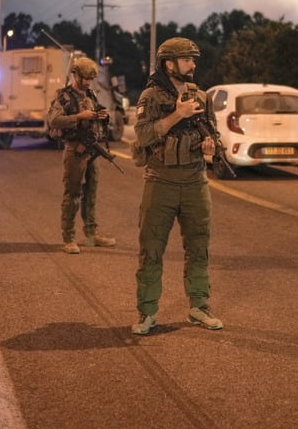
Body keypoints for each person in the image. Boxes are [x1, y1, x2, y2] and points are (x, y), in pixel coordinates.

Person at [130, 37, 223, 335]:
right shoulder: (152, 97)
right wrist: (178, 115)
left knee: (199, 247)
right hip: (161, 182)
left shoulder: (202, 97)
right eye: (187, 60)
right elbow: (144, 135)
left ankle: (199, 307)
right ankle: (147, 313)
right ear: (169, 64)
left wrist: (211, 146)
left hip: (196, 181)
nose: (193, 65)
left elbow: (216, 137)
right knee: (152, 249)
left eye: (193, 60)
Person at [46, 57, 116, 254]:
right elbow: (54, 120)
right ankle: (69, 237)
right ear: (75, 75)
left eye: (90, 79)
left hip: (91, 150)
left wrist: (101, 116)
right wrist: (79, 117)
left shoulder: (90, 94)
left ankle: (92, 234)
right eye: (84, 78)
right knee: (73, 194)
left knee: (91, 194)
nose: (86, 82)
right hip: (75, 150)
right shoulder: (64, 96)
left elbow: (95, 118)